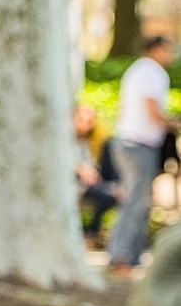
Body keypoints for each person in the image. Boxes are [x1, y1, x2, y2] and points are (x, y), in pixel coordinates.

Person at [107, 35, 178, 276]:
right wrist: (172, 122)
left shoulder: (138, 70)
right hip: (138, 145)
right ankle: (120, 255)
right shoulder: (151, 72)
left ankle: (133, 256)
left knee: (141, 201)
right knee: (136, 202)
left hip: (129, 143)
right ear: (157, 49)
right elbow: (152, 110)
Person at [73, 103, 120, 250]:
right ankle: (89, 235)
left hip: (92, 184)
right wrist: (80, 169)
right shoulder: (65, 141)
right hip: (76, 185)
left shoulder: (91, 142)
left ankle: (91, 235)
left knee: (111, 195)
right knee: (106, 195)